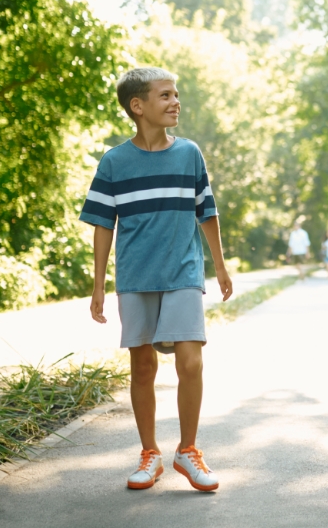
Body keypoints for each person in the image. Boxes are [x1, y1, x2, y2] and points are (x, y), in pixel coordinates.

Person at [80, 67, 233, 493]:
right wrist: (98, 285)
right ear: (138, 106)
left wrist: (218, 265)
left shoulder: (189, 154)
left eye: (177, 94)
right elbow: (102, 224)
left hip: (183, 270)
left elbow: (208, 211)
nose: (175, 102)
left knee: (190, 360)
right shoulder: (114, 162)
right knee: (143, 366)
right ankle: (150, 453)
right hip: (136, 276)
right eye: (165, 95)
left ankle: (188, 450)